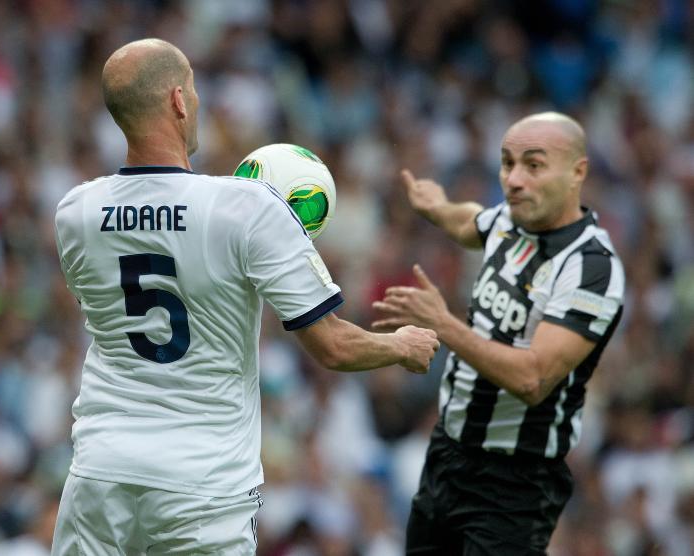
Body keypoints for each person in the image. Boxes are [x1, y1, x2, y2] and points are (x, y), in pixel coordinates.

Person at [51, 38, 439, 555]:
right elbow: (333, 347)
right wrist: (402, 345)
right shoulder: (245, 208)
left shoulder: (76, 213)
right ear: (178, 101)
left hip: (100, 475)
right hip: (203, 484)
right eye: (193, 88)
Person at [372, 112, 625, 555]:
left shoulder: (591, 268)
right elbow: (470, 222)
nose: (514, 179)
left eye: (534, 164)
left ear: (577, 173)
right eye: (507, 163)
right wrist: (434, 206)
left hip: (514, 485)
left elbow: (533, 379)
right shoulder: (509, 221)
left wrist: (444, 323)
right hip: (447, 456)